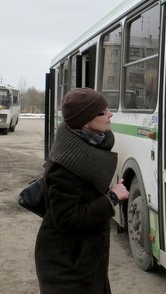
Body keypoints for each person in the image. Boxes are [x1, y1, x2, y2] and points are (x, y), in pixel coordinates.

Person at [35, 87, 129, 294]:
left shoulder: (88, 147)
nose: (110, 114)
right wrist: (111, 197)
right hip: (66, 267)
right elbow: (67, 218)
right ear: (86, 120)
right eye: (103, 112)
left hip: (83, 260)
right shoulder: (65, 165)